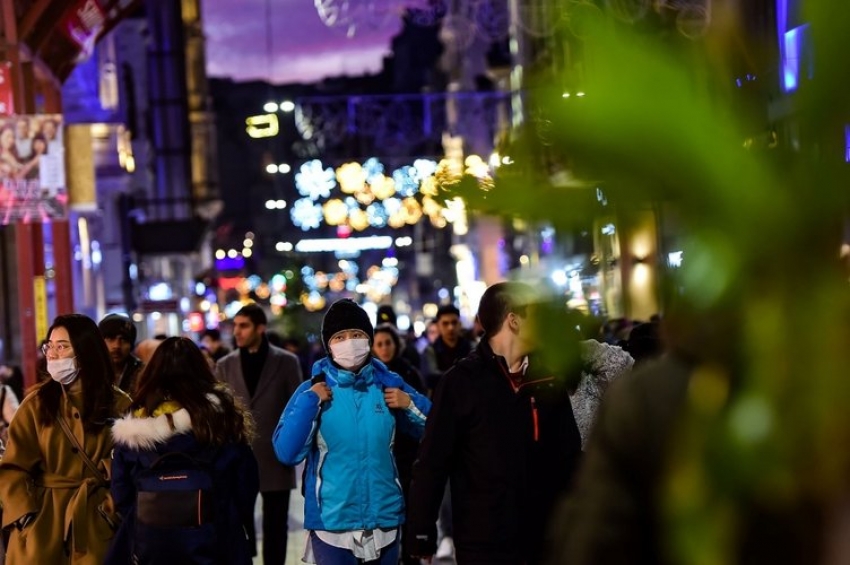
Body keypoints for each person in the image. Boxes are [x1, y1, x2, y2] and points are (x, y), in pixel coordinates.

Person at [406, 282, 583, 565]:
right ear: (513, 320)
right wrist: (421, 534)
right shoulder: (460, 382)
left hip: (544, 540)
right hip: (483, 542)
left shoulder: (548, 380)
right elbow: (432, 463)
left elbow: (570, 457)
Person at [273, 299, 432, 565]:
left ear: (368, 339)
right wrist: (310, 402)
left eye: (357, 335)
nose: (350, 342)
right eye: (340, 336)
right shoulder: (310, 391)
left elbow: (436, 431)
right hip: (332, 526)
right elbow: (286, 452)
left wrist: (409, 403)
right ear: (328, 345)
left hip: (385, 521)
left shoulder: (388, 385)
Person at [106, 337, 260, 564]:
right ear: (201, 370)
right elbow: (246, 485)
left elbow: (121, 493)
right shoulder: (221, 422)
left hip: (151, 546)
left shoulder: (133, 430)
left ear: (152, 373)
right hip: (216, 543)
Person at [0, 314, 131, 564]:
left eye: (62, 346)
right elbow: (12, 468)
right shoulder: (36, 404)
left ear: (84, 351)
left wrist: (111, 511)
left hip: (96, 523)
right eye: (50, 346)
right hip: (42, 527)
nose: (52, 354)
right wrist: (24, 517)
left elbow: (131, 466)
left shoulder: (119, 404)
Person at [214, 303, 302, 565]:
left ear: (260, 328)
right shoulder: (225, 365)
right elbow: (220, 410)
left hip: (275, 456)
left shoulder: (286, 362)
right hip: (237, 458)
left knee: (276, 524)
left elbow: (295, 408)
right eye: (235, 326)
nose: (237, 332)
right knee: (240, 523)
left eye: (244, 326)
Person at [372, 323, 427, 565]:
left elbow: (424, 410)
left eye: (388, 343)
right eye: (379, 344)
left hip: (408, 454)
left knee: (411, 512)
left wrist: (406, 403)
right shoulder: (369, 378)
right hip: (382, 457)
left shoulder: (409, 373)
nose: (384, 348)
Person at [99, 313, 143, 394]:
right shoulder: (90, 371)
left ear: (131, 345)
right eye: (110, 339)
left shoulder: (142, 373)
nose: (117, 346)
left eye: (124, 340)